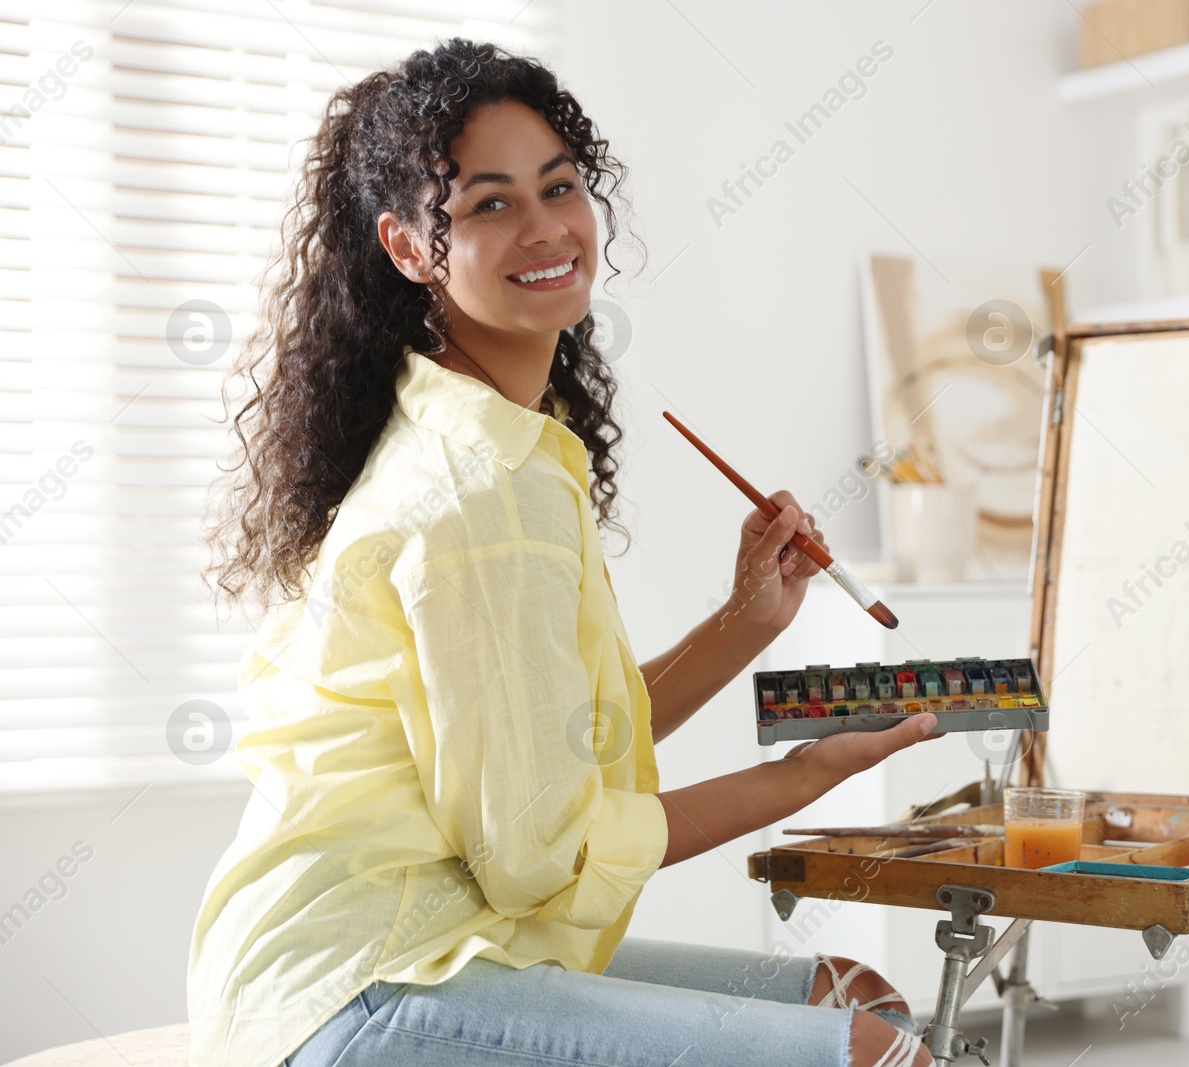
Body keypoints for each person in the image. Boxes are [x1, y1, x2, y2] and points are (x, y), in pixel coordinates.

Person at [190, 36, 942, 1067]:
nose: (546, 228)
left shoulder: (499, 443)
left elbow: (561, 744)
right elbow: (544, 852)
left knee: (855, 994)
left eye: (559, 186)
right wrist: (800, 777)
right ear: (411, 249)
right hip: (361, 990)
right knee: (869, 1048)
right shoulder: (477, 491)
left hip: (440, 952)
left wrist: (742, 625)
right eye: (489, 203)